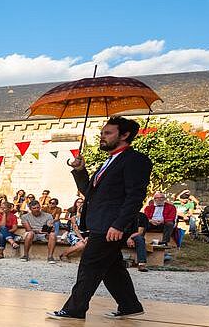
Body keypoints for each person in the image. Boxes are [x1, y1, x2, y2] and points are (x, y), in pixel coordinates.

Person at [48, 116, 150, 320]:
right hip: (100, 223)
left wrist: (119, 225)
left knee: (89, 266)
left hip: (111, 225)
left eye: (108, 133)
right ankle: (130, 305)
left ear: (125, 135)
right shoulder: (110, 160)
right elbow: (89, 192)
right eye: (102, 133)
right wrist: (79, 170)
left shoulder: (135, 160)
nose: (102, 137)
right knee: (112, 268)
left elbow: (135, 197)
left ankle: (75, 309)